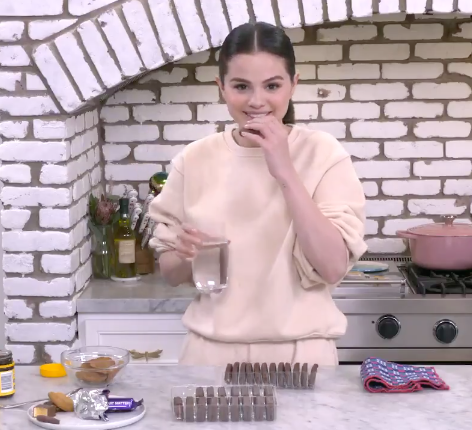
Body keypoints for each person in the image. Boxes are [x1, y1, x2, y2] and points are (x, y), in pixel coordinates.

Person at [148, 21, 367, 366]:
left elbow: (332, 267)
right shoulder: (193, 160)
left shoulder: (323, 153)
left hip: (303, 358)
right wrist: (184, 254)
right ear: (221, 87)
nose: (256, 101)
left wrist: (283, 169)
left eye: (272, 85)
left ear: (293, 85)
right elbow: (170, 273)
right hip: (209, 355)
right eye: (241, 86)